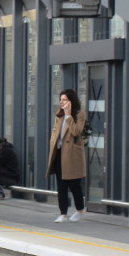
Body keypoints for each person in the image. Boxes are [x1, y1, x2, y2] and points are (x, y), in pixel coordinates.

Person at [46, 89, 87, 223]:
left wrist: (69, 115)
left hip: (72, 155)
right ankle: (63, 213)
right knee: (61, 185)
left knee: (74, 185)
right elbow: (55, 131)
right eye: (61, 100)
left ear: (71, 101)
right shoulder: (59, 115)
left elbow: (76, 132)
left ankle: (79, 210)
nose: (61, 102)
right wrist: (52, 141)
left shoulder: (79, 114)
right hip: (59, 153)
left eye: (64, 100)